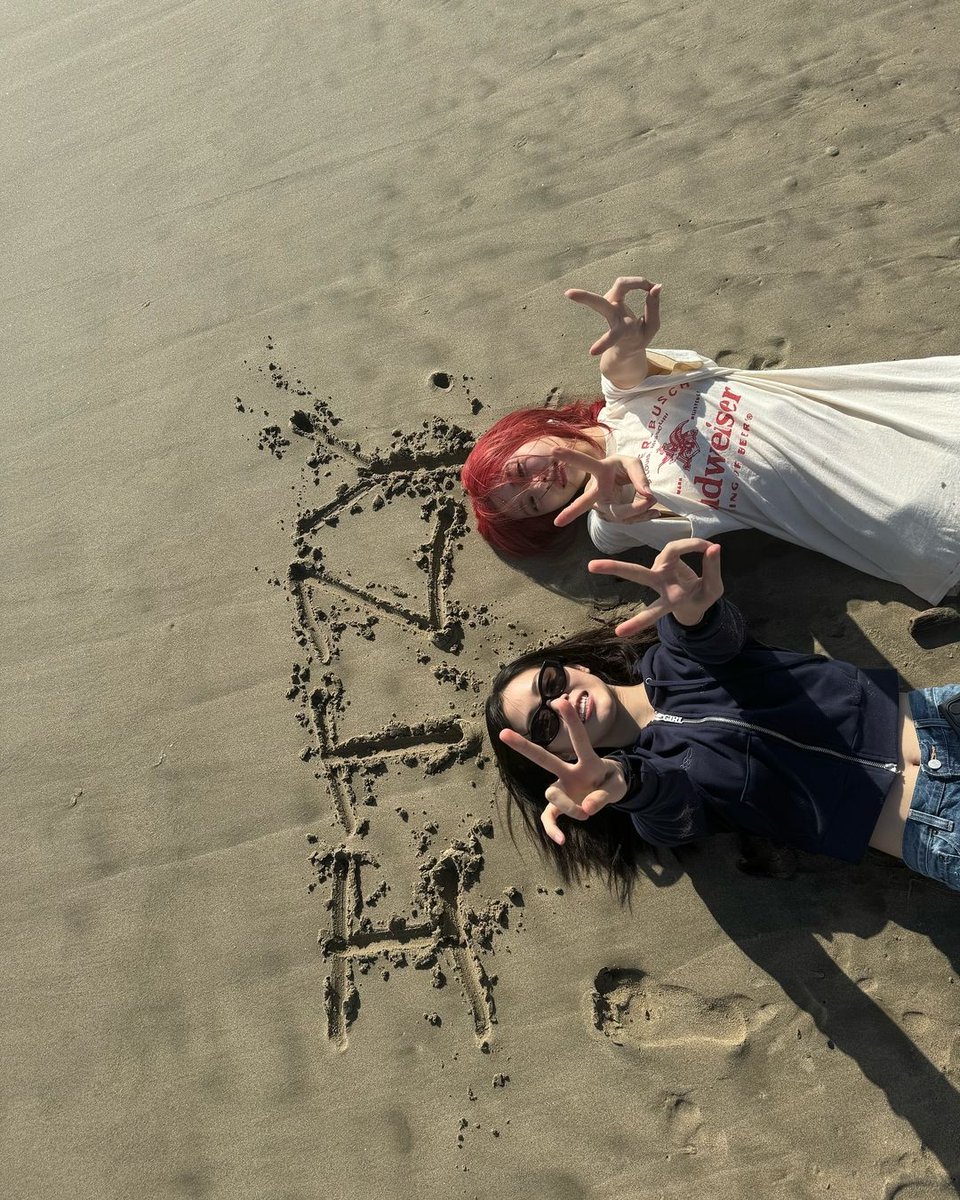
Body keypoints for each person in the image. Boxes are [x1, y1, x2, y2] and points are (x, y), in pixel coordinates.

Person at [486, 539, 960, 900]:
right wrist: (623, 784)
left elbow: (715, 639)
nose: (563, 704)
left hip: (938, 720)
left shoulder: (675, 657)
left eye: (550, 683)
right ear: (556, 757)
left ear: (577, 666)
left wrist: (695, 611)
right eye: (545, 726)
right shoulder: (650, 789)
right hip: (933, 825)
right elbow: (673, 815)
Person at [462, 276, 960, 604]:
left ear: (530, 430)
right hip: (898, 510)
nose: (539, 483)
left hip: (900, 415)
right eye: (533, 503)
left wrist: (627, 345)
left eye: (519, 469)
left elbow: (625, 369)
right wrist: (614, 500)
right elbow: (628, 521)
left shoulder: (623, 398)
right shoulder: (606, 522)